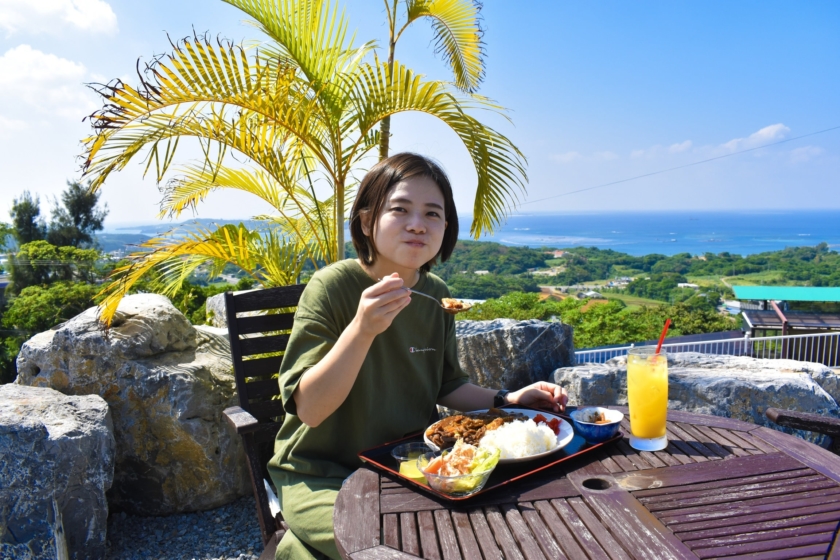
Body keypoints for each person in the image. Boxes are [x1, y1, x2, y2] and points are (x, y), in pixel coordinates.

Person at [267, 153, 568, 560]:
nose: (417, 224)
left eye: (433, 213)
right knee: (390, 550)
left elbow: (449, 384)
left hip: (410, 465)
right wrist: (362, 329)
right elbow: (310, 410)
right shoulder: (333, 287)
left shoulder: (435, 295)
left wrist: (509, 400)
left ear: (446, 227)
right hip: (322, 474)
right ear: (366, 220)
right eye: (400, 209)